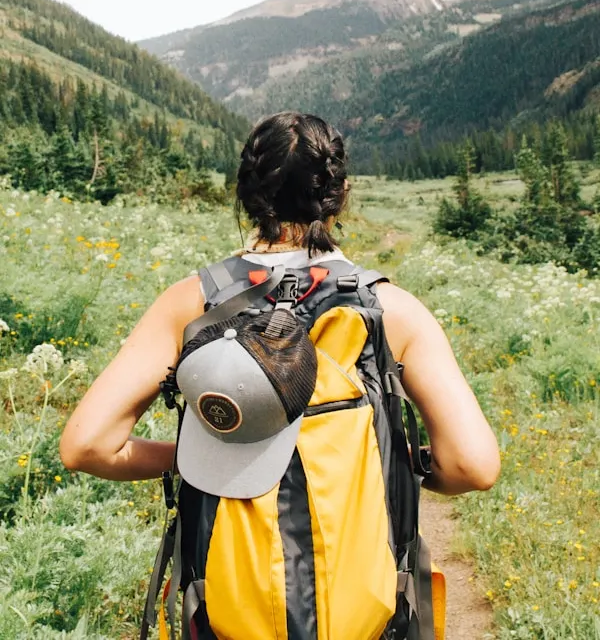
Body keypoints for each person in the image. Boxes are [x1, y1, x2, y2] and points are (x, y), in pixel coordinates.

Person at [60, 110, 500, 496]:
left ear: (246, 196)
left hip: (225, 584)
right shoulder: (392, 308)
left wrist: (195, 460)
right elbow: (472, 467)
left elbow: (88, 446)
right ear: (341, 193)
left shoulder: (191, 301)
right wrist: (389, 464)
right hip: (361, 586)